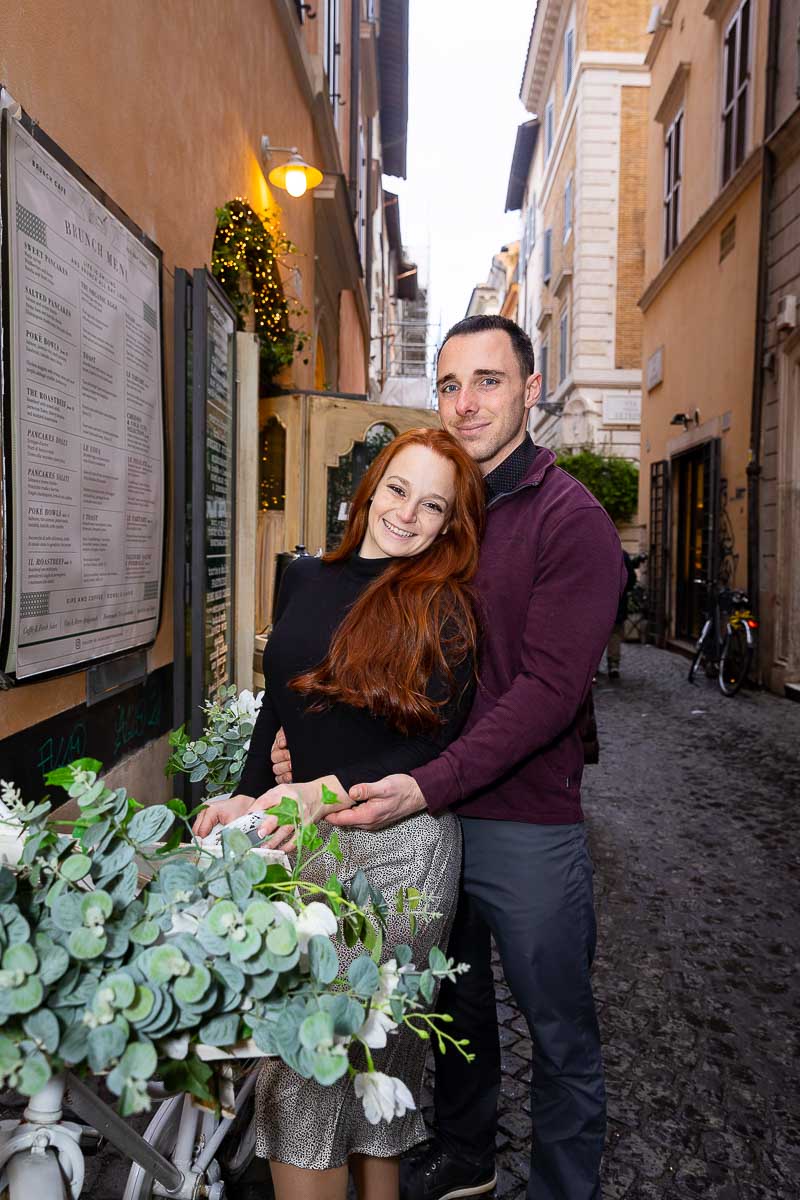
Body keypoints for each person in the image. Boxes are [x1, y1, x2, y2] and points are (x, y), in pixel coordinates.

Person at [272, 315, 626, 1200]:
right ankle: (465, 1157)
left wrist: (428, 782)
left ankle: (561, 1186)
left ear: (531, 389)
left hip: (519, 815)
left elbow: (547, 692)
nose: (466, 403)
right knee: (439, 1004)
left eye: (490, 381)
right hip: (414, 809)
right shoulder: (438, 501)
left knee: (556, 1025)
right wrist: (303, 738)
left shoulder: (569, 521)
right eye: (449, 384)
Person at [193, 428, 485, 1200]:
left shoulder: (445, 604)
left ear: (450, 524)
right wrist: (249, 792)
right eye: (397, 489)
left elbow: (439, 742)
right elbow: (278, 713)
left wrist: (311, 794)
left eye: (432, 506)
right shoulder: (305, 577)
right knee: (348, 1087)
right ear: (370, 485)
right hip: (305, 845)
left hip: (398, 857)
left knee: (318, 1077)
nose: (407, 514)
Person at [605, 550, 637, 679]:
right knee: (615, 633)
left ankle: (592, 668)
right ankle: (613, 664)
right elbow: (631, 579)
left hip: (595, 601)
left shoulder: (594, 550)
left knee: (593, 636)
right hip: (617, 601)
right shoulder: (622, 555)